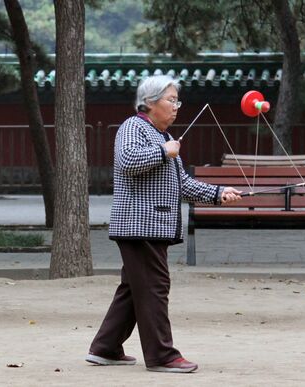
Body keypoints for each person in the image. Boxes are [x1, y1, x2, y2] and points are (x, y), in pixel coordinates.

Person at [86, 75, 242, 373]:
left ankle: (105, 347)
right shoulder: (134, 127)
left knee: (134, 288)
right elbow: (128, 161)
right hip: (139, 225)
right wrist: (163, 152)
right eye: (171, 100)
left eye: (177, 101)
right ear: (149, 102)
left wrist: (220, 193)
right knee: (155, 287)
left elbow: (182, 183)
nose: (176, 107)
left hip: (152, 226)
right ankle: (162, 355)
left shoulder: (161, 137)